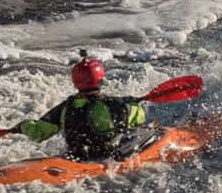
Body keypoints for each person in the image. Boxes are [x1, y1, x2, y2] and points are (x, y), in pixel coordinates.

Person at [18, 52, 148, 160]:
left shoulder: (64, 108)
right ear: (101, 80)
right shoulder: (114, 105)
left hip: (76, 158)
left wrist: (22, 127)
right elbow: (139, 116)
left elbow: (39, 132)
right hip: (106, 159)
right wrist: (132, 103)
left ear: (76, 83)